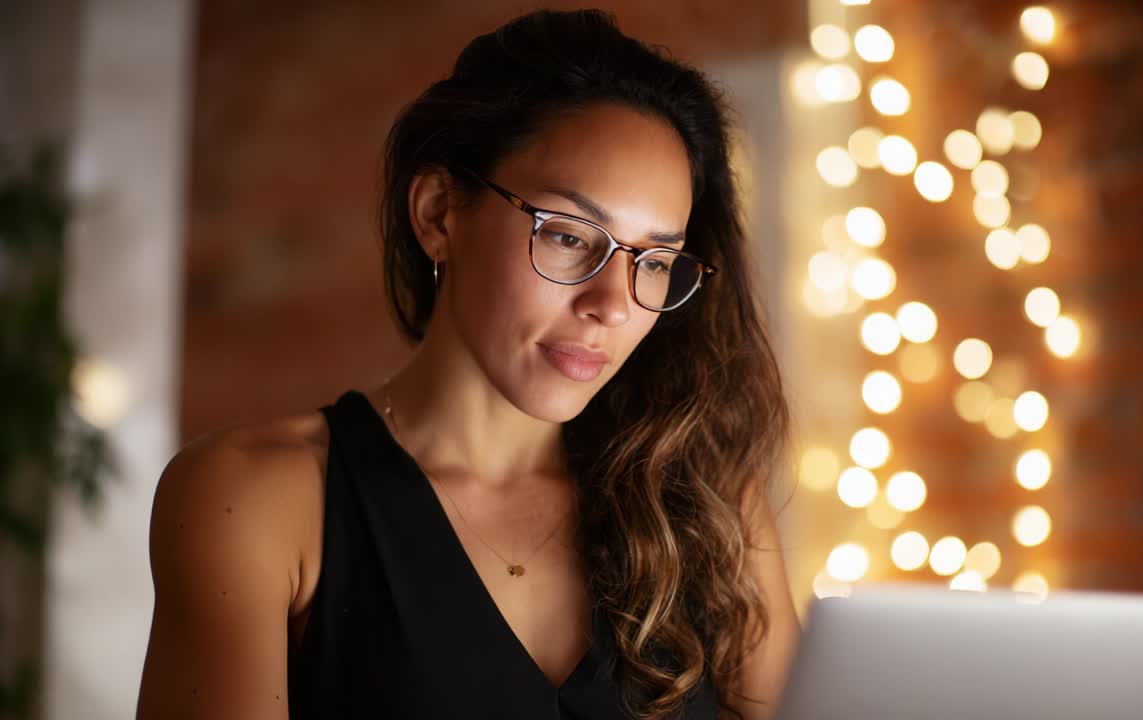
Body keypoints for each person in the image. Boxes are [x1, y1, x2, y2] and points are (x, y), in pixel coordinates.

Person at [136, 8, 796, 719]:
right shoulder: (257, 501)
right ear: (438, 213)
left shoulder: (704, 499)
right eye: (571, 237)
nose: (612, 303)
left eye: (656, 260)